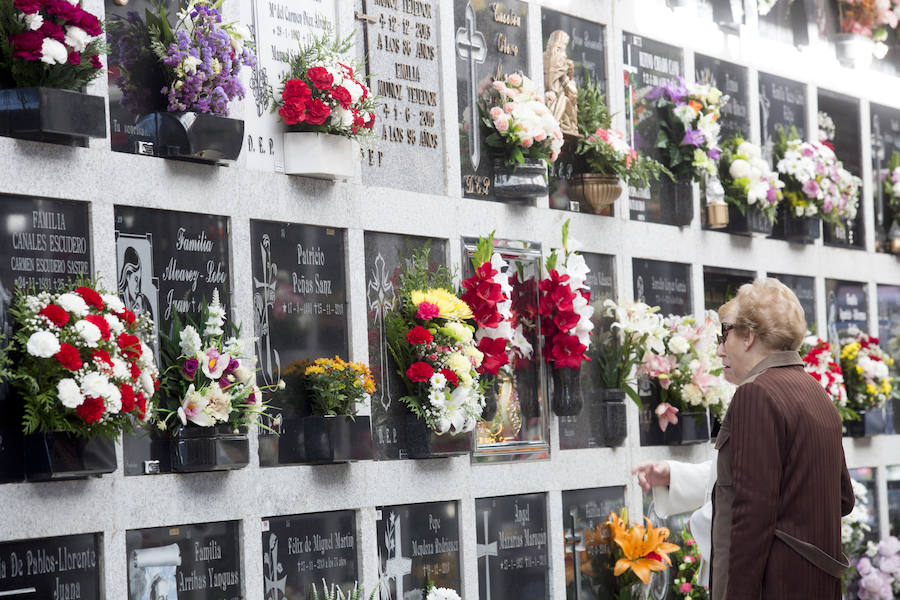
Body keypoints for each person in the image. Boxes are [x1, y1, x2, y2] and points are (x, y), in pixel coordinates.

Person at [633, 278, 854, 599]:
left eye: (725, 333)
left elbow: (750, 518)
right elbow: (843, 498)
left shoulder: (756, 393)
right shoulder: (814, 391)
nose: (720, 346)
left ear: (748, 336)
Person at [542, 30, 579, 137]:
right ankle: (556, 123)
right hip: (554, 96)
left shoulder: (544, 56)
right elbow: (561, 81)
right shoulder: (561, 57)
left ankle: (560, 123)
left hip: (549, 95)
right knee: (564, 99)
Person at [118, 245, 154, 320]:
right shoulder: (119, 302)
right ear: (128, 275)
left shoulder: (141, 301)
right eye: (136, 279)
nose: (138, 287)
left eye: (140, 281)